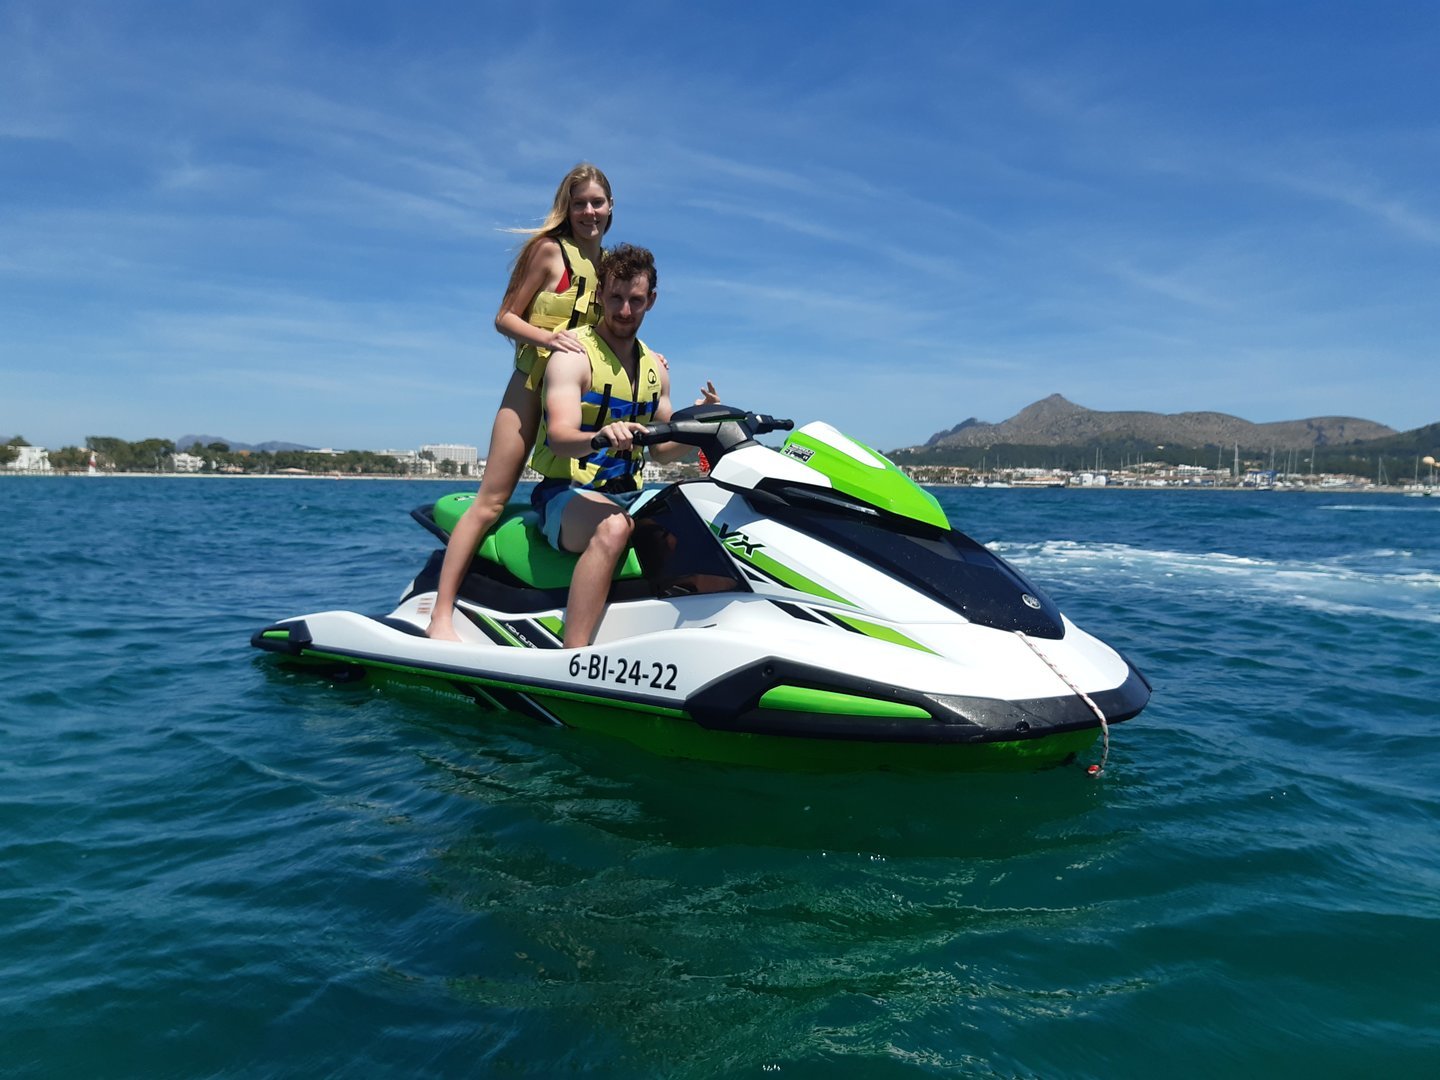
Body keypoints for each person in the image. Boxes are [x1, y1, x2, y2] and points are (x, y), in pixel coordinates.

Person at [427, 164, 614, 641]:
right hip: (529, 389)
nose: (588, 212)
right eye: (579, 204)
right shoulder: (549, 252)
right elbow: (505, 317)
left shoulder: (610, 266)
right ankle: (440, 616)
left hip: (577, 398)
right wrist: (548, 340)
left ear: (611, 207)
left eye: (596, 202)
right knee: (490, 501)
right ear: (566, 209)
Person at [529, 243, 707, 648]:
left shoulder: (655, 368)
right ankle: (572, 653)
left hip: (630, 495)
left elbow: (662, 449)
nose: (625, 310)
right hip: (565, 495)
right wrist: (599, 437)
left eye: (636, 300)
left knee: (701, 524)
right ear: (599, 295)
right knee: (614, 527)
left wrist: (696, 423)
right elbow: (559, 438)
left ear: (651, 301)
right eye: (616, 297)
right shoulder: (572, 355)